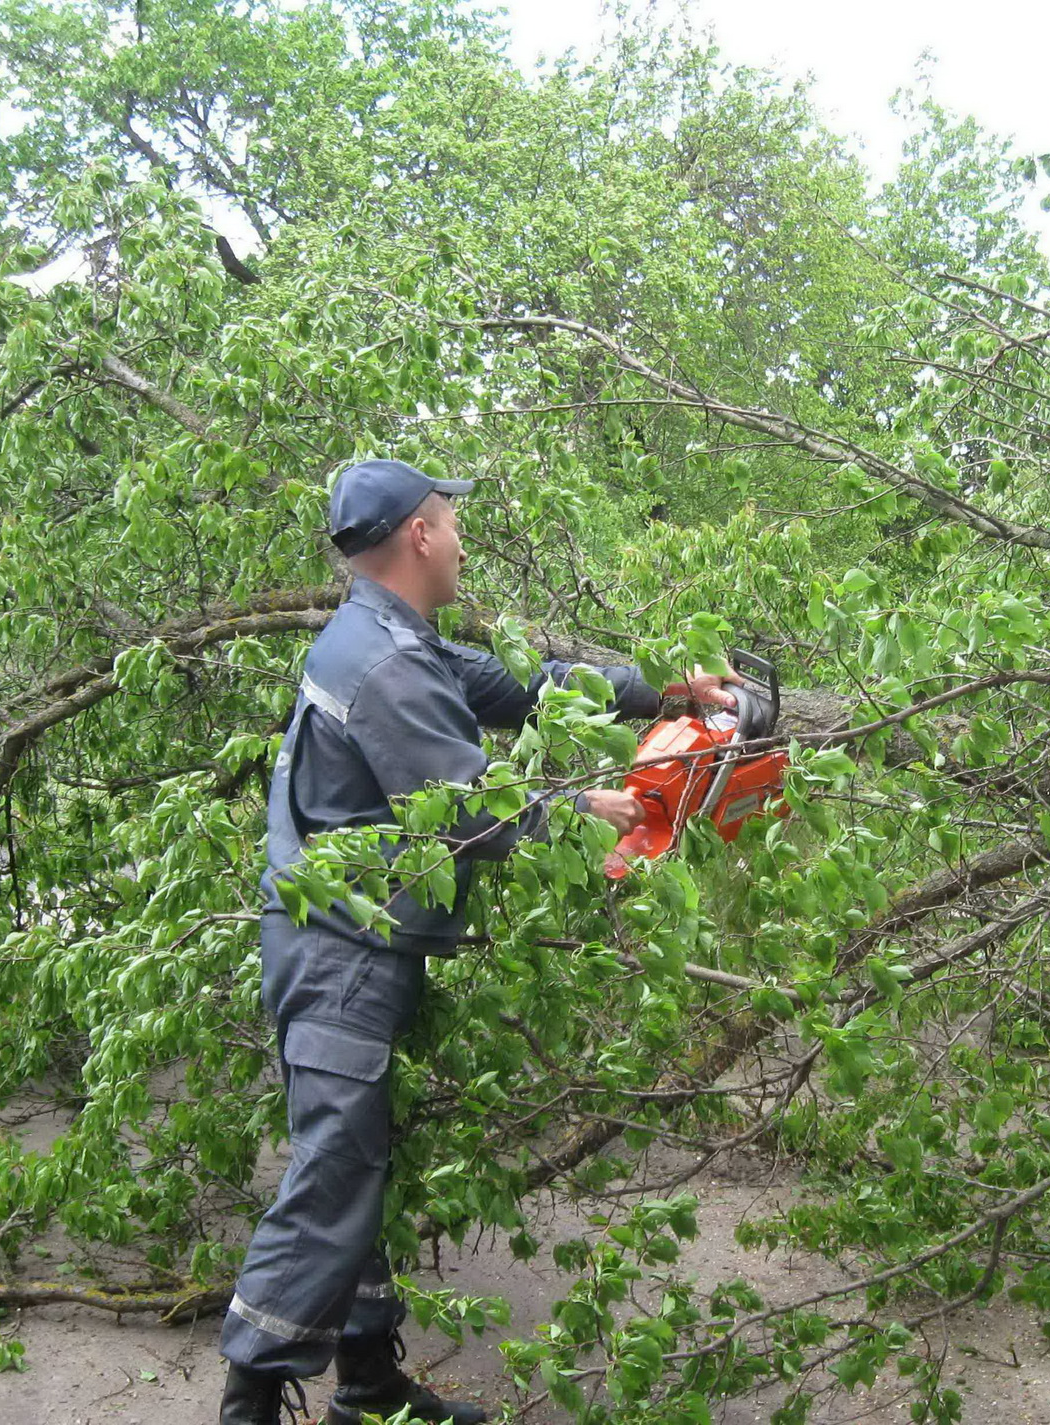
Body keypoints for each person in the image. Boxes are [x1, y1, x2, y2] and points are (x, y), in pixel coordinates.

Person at [218, 459, 738, 1425]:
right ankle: (248, 1398)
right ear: (418, 534)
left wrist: (663, 691)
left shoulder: (393, 636)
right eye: (451, 521)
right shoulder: (383, 665)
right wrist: (596, 809)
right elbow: (471, 813)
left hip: (347, 942)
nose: (461, 539)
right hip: (336, 956)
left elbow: (524, 689)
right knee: (332, 1169)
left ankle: (368, 1388)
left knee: (357, 1160)